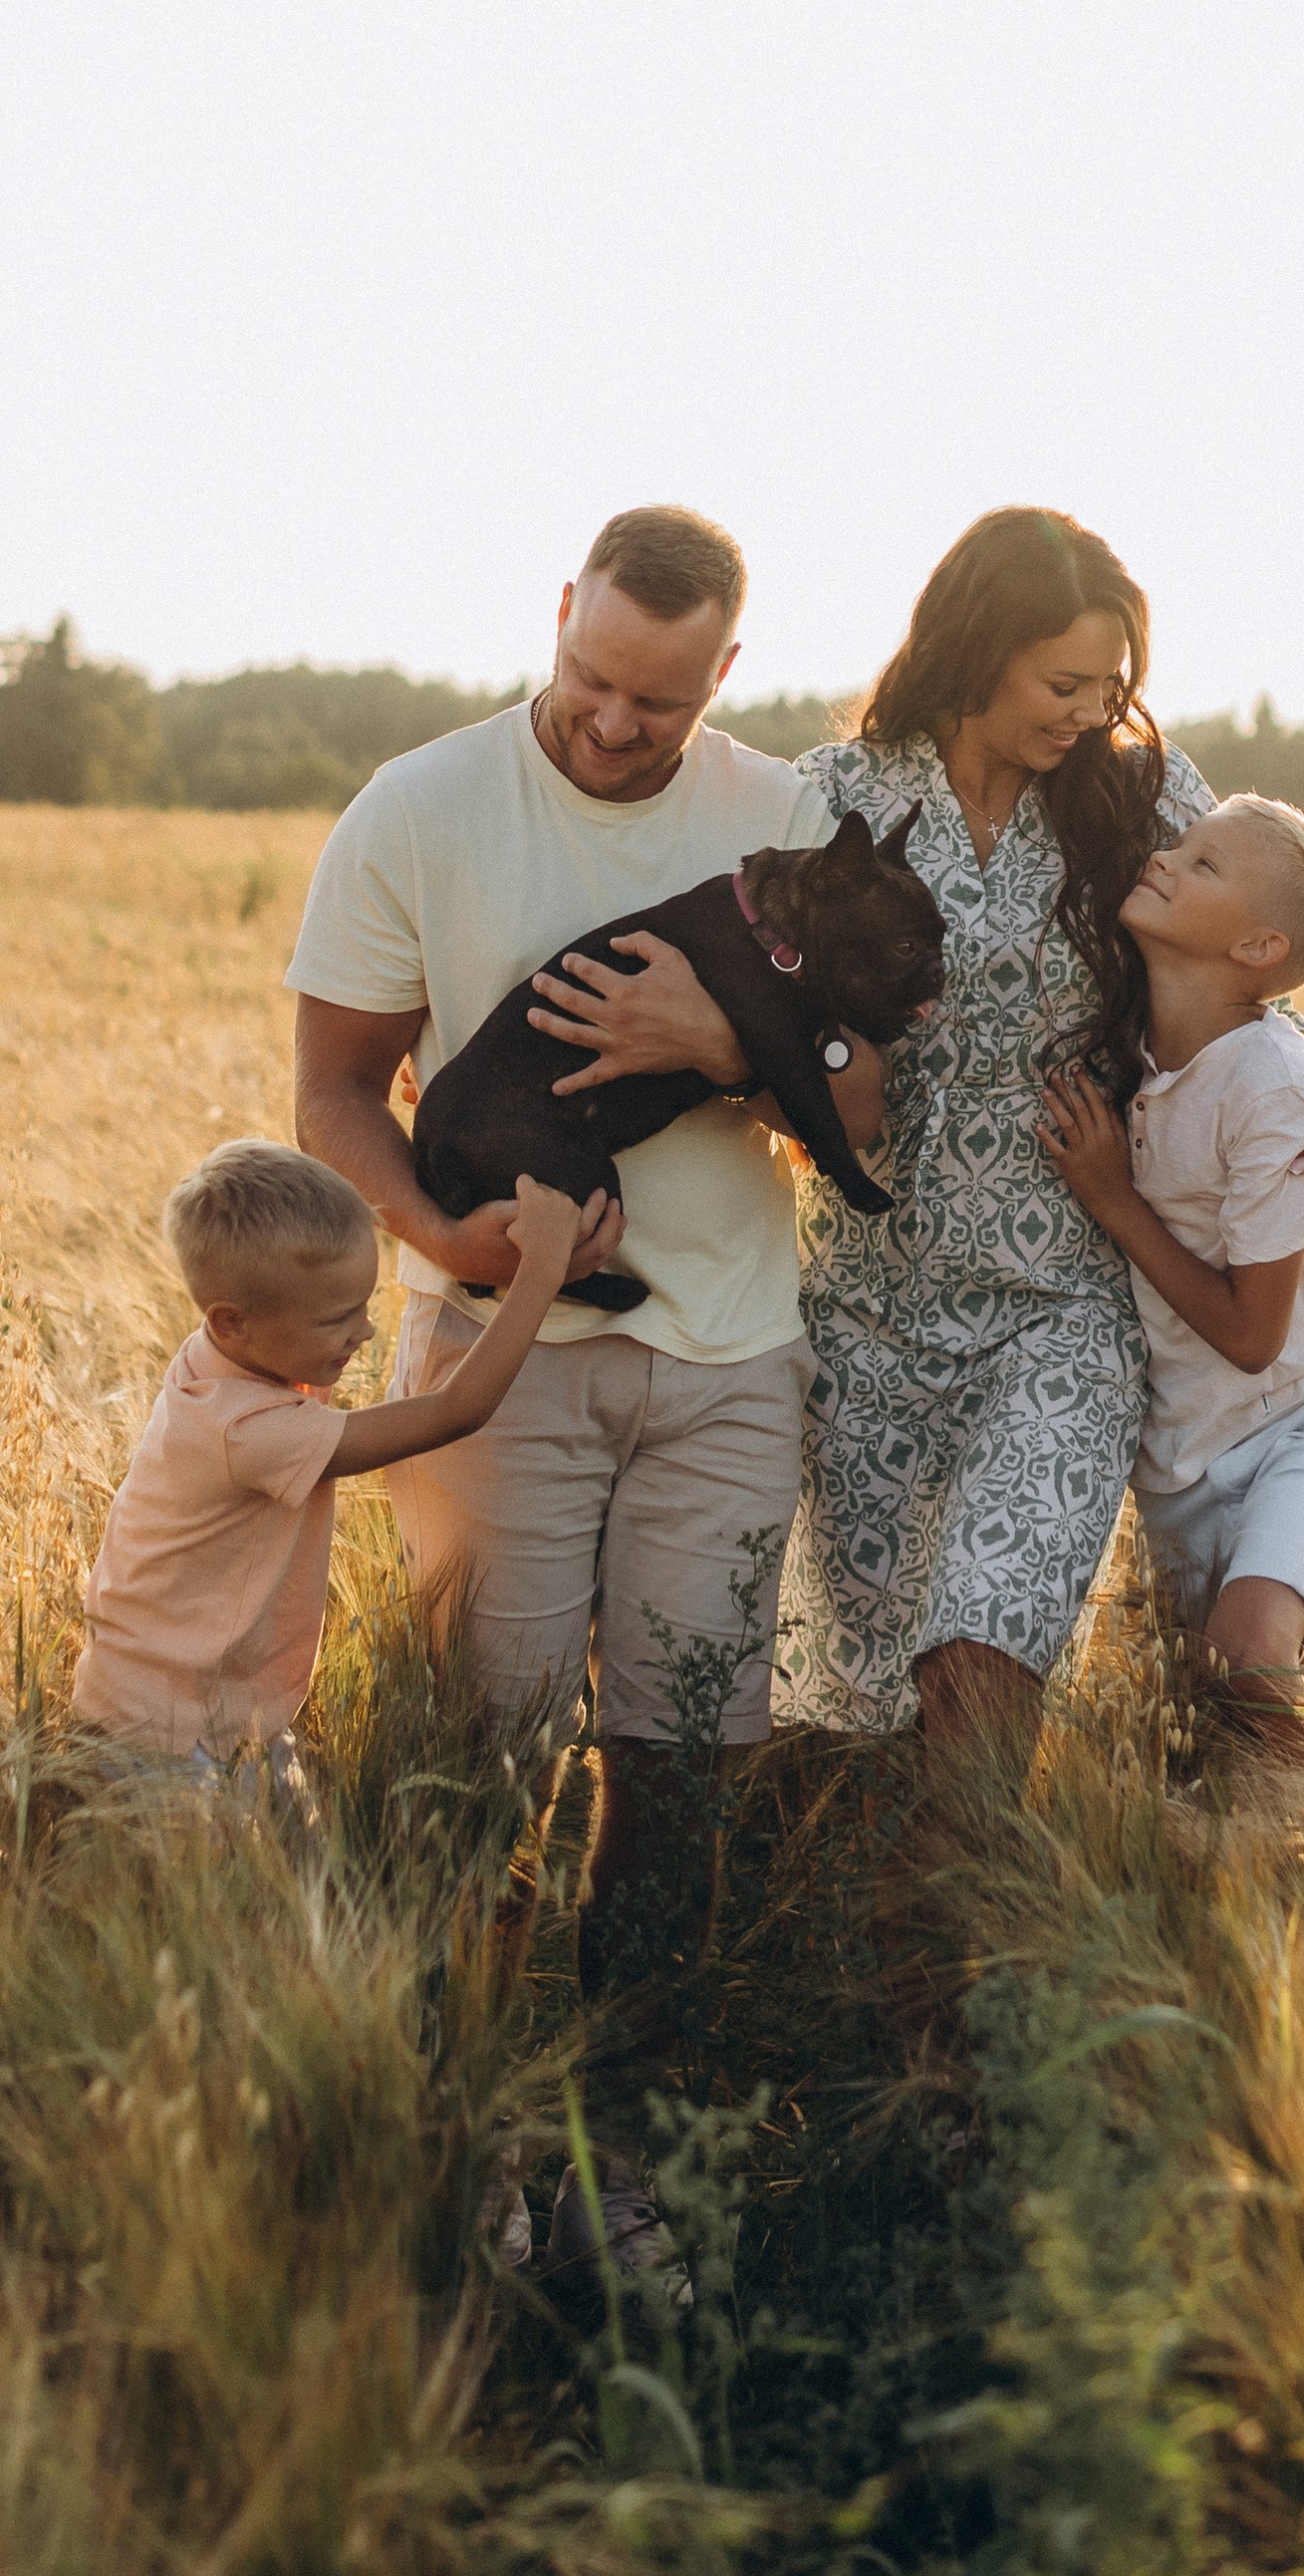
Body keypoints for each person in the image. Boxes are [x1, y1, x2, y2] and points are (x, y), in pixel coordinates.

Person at [287, 505, 881, 2273]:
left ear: (728, 677)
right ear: (558, 617)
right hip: (496, 1376)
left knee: (682, 1774)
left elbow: (859, 1112)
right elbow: (332, 1098)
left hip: (729, 1363)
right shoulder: (419, 806)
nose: (616, 726)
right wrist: (447, 1246)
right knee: (488, 1766)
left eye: (660, 702)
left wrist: (717, 1051)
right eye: (591, 679)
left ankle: (620, 2163)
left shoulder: (784, 817)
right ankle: (471, 2133)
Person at [772, 508, 1304, 1800]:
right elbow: (767, 1030)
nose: (1087, 710)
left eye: (1109, 685)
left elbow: (1243, 977)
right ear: (974, 649)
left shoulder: (1135, 791)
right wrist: (825, 1075)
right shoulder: (833, 797)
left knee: (985, 1661)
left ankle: (988, 1946)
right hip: (872, 1306)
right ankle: (874, 1942)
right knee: (862, 1695)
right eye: (1062, 683)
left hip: (1068, 1307)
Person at [1039, 795, 1304, 1764]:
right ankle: (1235, 1874)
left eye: (1202, 864)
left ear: (1256, 947)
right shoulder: (1156, 1040)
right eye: (1178, 846)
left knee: (1243, 1661)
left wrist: (1115, 1201)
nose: (1162, 857)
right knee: (1201, 1714)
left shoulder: (1269, 1080)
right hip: (1186, 1460)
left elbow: (1253, 1335)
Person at [74, 1139, 583, 1788]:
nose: (365, 1332)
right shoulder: (248, 1431)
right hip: (169, 1733)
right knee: (224, 1885)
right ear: (233, 1323)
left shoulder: (226, 1357)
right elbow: (458, 1410)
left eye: (365, 1307)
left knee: (296, 1875)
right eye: (338, 1318)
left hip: (208, 1709)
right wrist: (541, 1269)